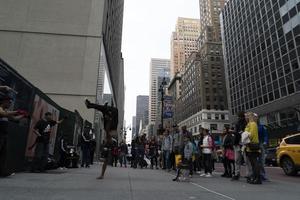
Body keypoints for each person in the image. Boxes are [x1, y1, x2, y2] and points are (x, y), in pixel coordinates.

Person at [84, 99, 118, 179]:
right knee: (109, 111)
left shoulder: (108, 140)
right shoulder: (111, 137)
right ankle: (91, 105)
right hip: (112, 124)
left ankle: (90, 105)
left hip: (110, 124)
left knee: (103, 109)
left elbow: (105, 161)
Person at [0, 94, 26, 177]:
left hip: (4, 135)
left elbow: (15, 119)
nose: (10, 104)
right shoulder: (1, 109)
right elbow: (3, 113)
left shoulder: (6, 111)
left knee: (3, 154)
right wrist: (17, 111)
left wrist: (23, 115)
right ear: (4, 101)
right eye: (9, 102)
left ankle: (2, 171)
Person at [245, 112, 262, 184]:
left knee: (254, 163)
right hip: (250, 145)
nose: (246, 117)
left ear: (251, 116)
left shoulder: (252, 124)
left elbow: (250, 135)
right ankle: (255, 177)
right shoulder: (251, 124)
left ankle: (257, 178)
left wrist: (244, 137)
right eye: (246, 116)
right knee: (253, 163)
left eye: (248, 116)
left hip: (252, 145)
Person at [232, 111, 247, 181]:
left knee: (245, 160)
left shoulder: (246, 123)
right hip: (238, 143)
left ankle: (247, 174)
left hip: (243, 143)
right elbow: (236, 133)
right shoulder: (237, 124)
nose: (238, 118)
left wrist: (237, 133)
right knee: (238, 160)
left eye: (238, 117)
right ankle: (237, 174)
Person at [255, 113, 269, 181]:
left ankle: (262, 174)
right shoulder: (250, 126)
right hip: (253, 145)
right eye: (254, 117)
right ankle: (255, 174)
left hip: (260, 144)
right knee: (255, 161)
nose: (255, 119)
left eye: (256, 117)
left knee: (262, 161)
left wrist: (265, 142)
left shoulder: (261, 127)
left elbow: (265, 135)